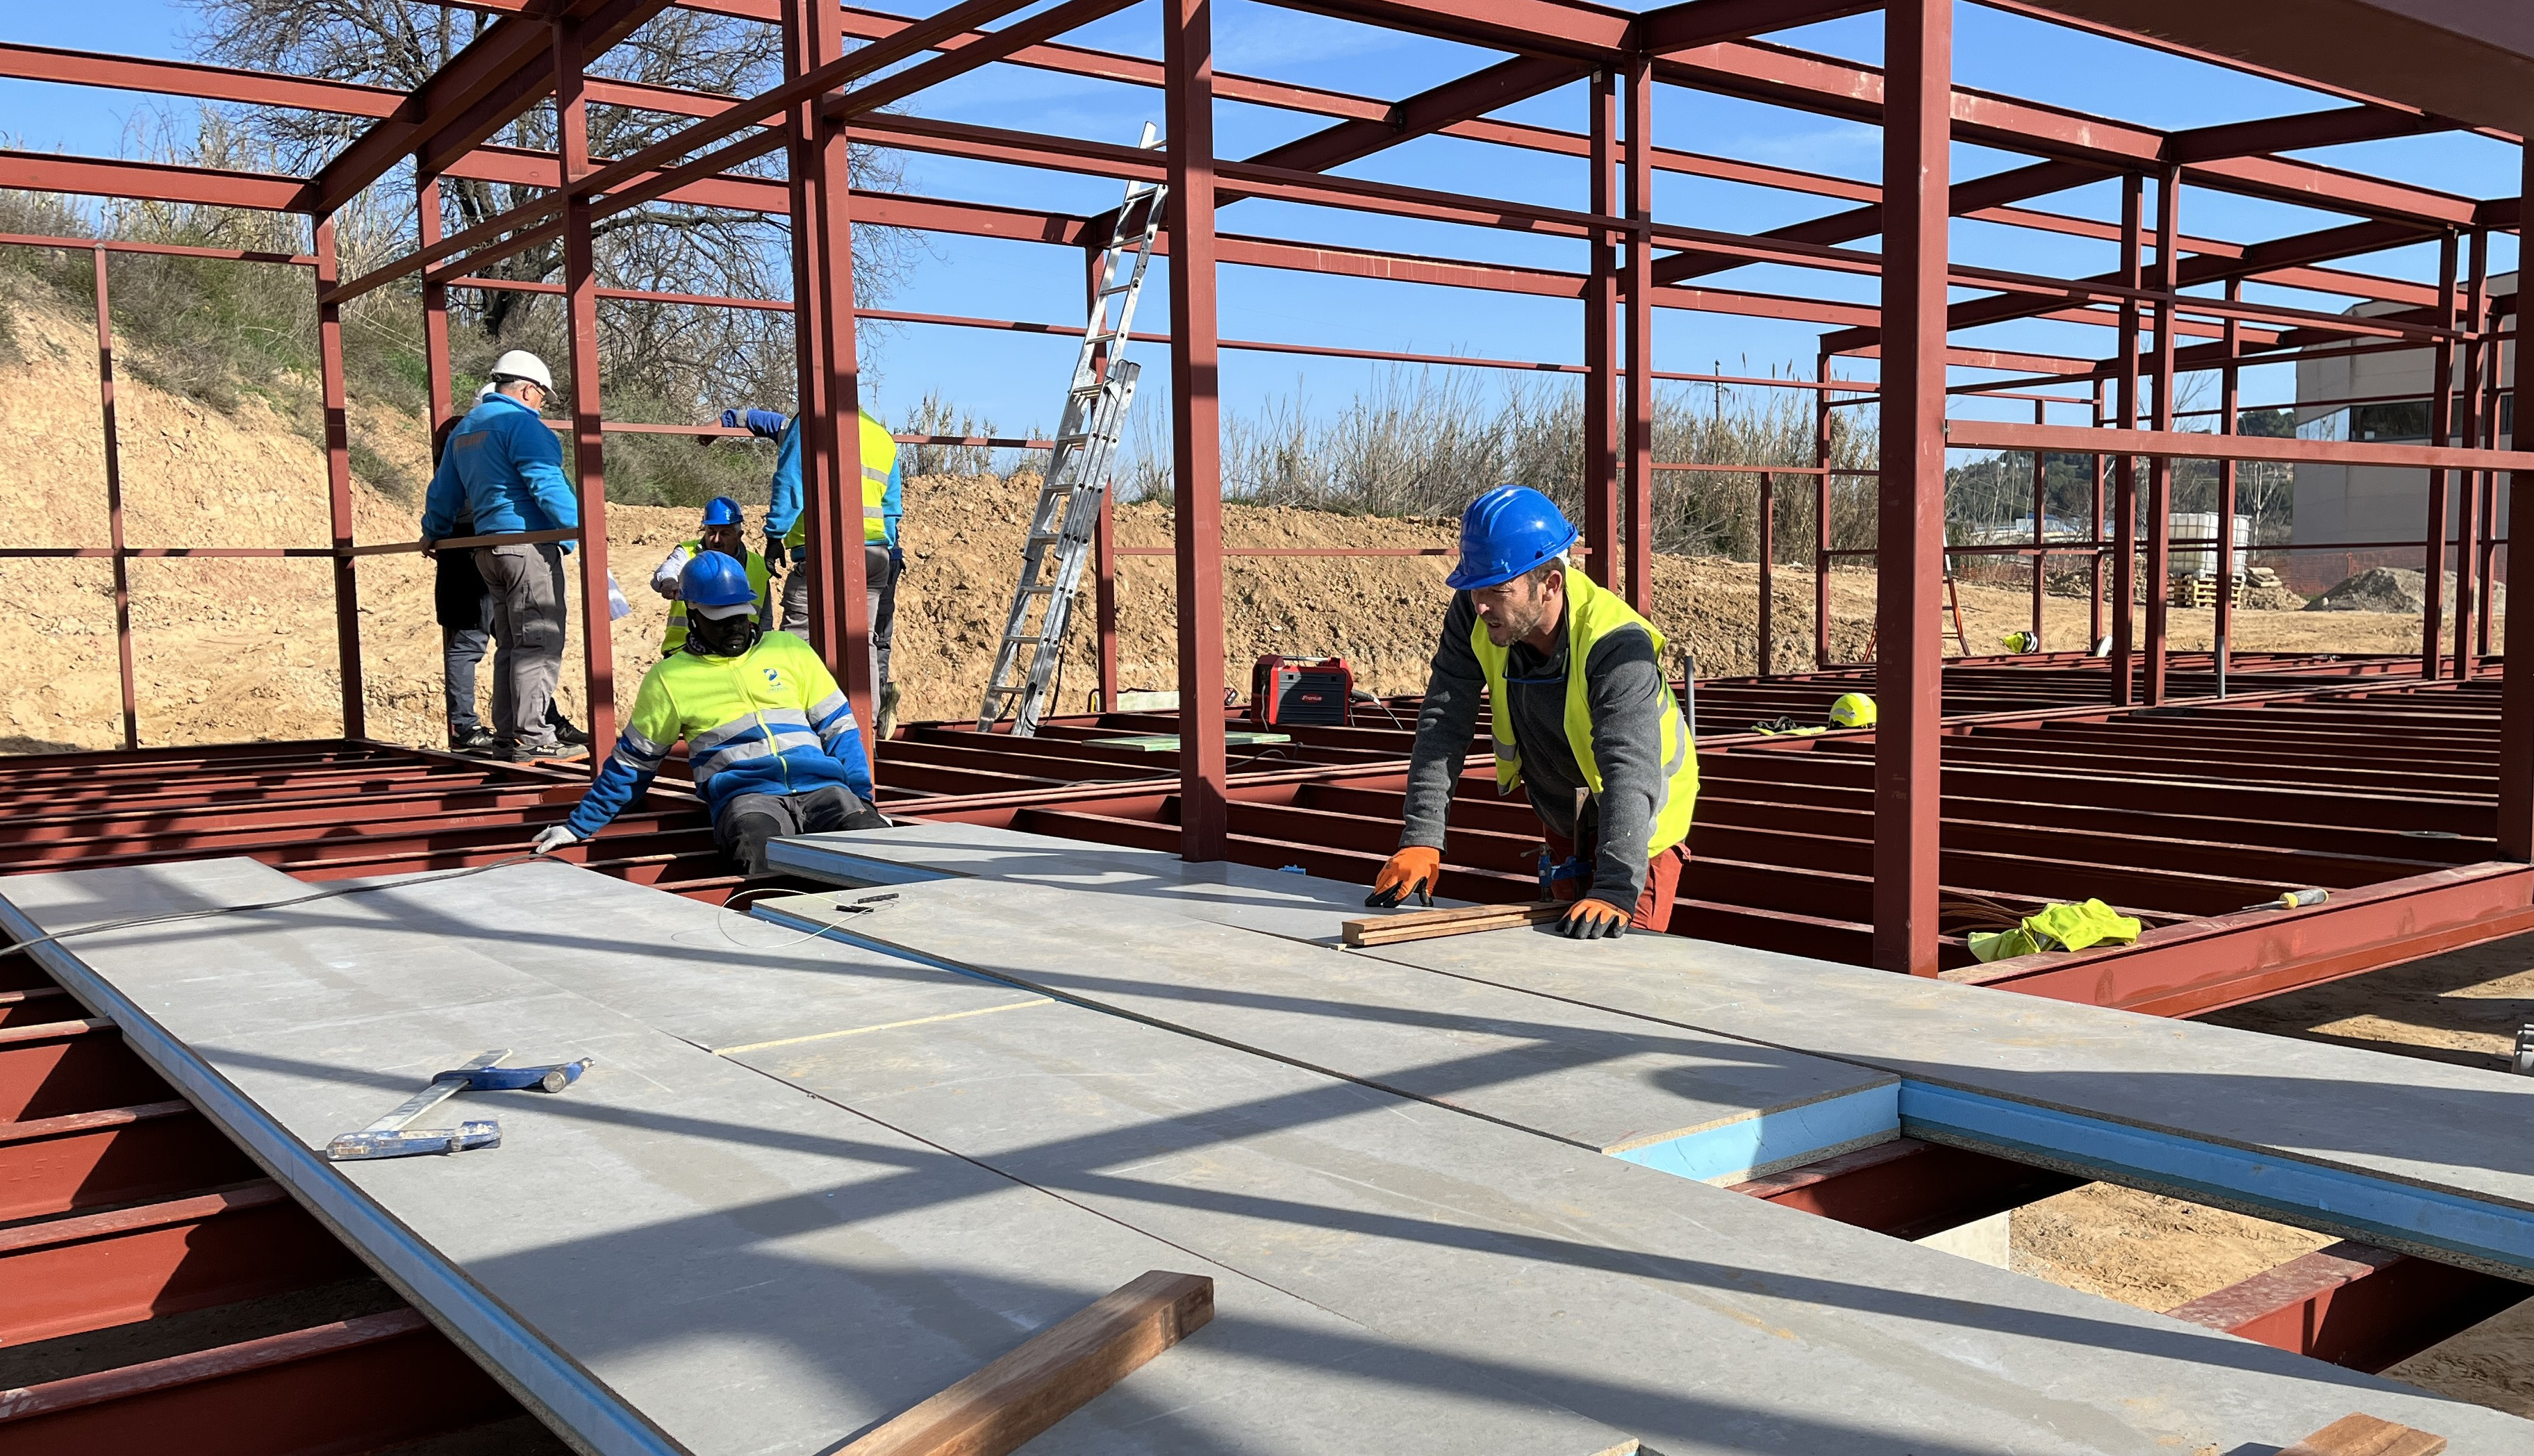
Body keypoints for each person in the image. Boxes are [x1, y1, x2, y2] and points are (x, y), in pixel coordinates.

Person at [1364, 486, 1700, 940]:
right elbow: (1445, 718)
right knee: (1559, 955)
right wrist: (1422, 835)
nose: (1481, 605)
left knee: (1619, 964)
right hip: (1563, 813)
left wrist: (1616, 889)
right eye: (1474, 589)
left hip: (1639, 828)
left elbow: (1629, 767)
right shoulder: (1476, 612)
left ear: (1550, 585)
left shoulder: (1617, 644)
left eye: (1498, 590)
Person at [532, 552, 886, 875]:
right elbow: (633, 765)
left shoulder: (789, 649)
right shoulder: (669, 679)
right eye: (722, 619)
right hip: (748, 798)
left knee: (872, 849)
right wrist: (578, 826)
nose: (735, 627)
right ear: (694, 615)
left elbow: (839, 730)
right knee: (758, 856)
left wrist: (863, 801)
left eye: (740, 616)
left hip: (824, 787)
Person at [421, 350, 582, 763]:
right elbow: (547, 484)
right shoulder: (523, 426)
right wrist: (580, 530)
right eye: (542, 395)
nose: (542, 403)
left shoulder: (467, 429)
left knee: (511, 645)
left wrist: (433, 532)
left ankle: (510, 736)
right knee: (538, 643)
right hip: (527, 547)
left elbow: (443, 493)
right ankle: (533, 736)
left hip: (487, 550)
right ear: (527, 390)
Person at [730, 404, 904, 736]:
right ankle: (864, 726)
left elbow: (791, 483)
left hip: (824, 551)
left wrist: (775, 536)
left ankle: (789, 724)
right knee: (862, 641)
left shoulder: (811, 423)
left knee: (796, 638)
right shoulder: (881, 435)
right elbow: (892, 506)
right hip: (875, 553)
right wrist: (885, 547)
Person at [651, 496, 770, 654]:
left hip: (738, 655)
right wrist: (668, 581)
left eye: (725, 533)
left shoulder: (759, 566)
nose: (716, 540)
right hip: (684, 652)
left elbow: (766, 619)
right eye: (712, 532)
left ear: (739, 535)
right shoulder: (688, 553)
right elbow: (668, 569)